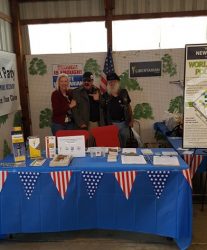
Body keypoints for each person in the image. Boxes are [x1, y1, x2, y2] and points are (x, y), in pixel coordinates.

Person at [102, 72, 133, 147]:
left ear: (117, 82)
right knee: (114, 145)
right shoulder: (105, 95)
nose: (111, 83)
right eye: (109, 82)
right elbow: (102, 109)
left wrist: (131, 120)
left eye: (113, 81)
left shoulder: (124, 92)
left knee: (125, 144)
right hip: (111, 124)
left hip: (124, 123)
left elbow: (129, 106)